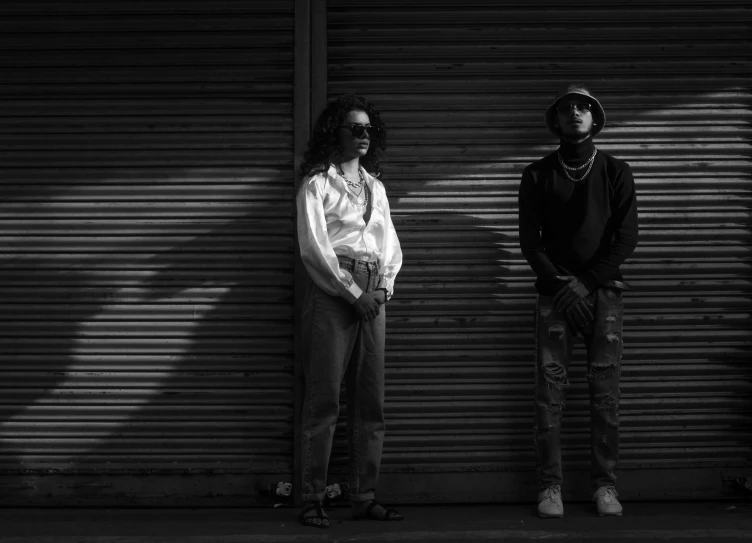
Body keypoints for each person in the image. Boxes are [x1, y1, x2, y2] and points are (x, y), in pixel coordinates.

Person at [518, 85, 639, 518]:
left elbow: (626, 239)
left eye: (584, 107)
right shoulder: (536, 174)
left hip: (604, 294)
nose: (575, 112)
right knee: (549, 394)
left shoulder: (616, 171)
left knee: (605, 394)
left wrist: (585, 283)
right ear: (556, 120)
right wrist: (562, 285)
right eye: (567, 107)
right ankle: (551, 488)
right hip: (554, 295)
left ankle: (605, 487)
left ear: (595, 120)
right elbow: (529, 243)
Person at [295, 94, 403, 528]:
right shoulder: (317, 184)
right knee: (324, 400)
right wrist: (351, 293)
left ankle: (364, 496)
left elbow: (390, 246)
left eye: (368, 129)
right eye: (354, 128)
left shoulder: (376, 187)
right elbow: (314, 248)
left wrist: (381, 289)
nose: (363, 136)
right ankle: (312, 499)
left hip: (373, 291)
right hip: (336, 291)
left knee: (370, 403)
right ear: (334, 133)